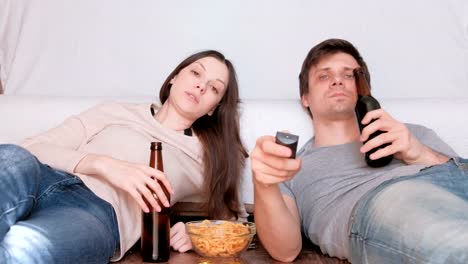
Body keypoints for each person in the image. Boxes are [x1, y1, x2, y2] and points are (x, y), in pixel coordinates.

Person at [0, 50, 248, 263]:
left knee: (23, 252)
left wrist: (195, 234)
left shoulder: (208, 156)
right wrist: (103, 164)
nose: (201, 86)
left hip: (94, 213)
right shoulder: (114, 111)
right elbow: (30, 148)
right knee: (12, 157)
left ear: (213, 107)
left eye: (214, 88)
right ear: (175, 76)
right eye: (196, 73)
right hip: (43, 177)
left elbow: (235, 221)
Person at [251, 38, 468, 263]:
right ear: (305, 97)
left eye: (349, 75)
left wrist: (421, 153)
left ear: (363, 89)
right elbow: (285, 251)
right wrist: (263, 184)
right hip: (386, 203)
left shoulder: (414, 134)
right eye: (324, 76)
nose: (337, 81)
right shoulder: (289, 167)